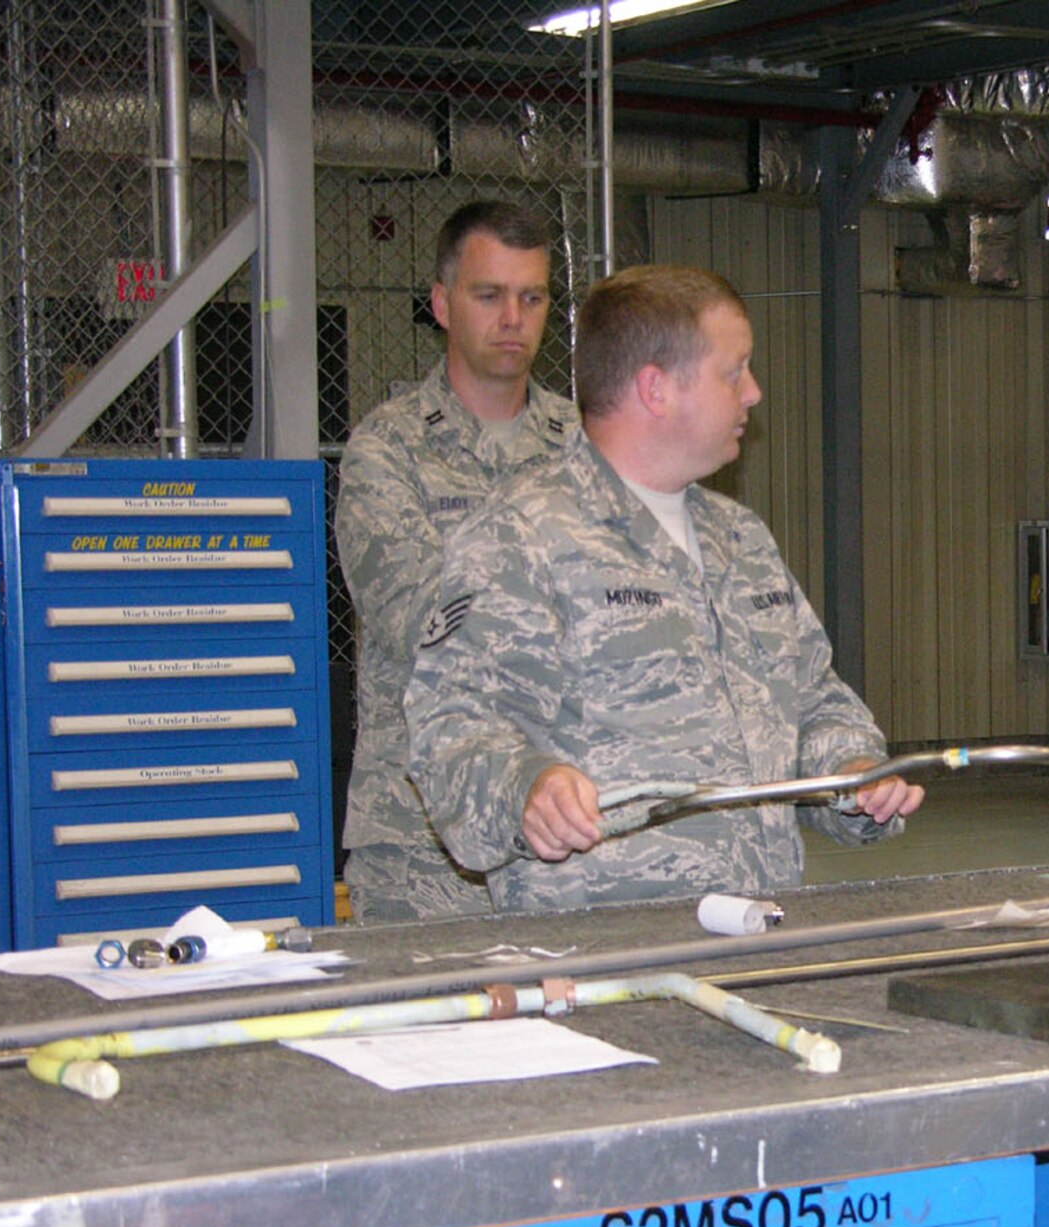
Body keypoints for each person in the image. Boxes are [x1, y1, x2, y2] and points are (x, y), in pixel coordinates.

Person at [404, 264, 922, 913]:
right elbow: (452, 730)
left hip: (752, 927)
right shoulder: (523, 541)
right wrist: (526, 789)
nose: (754, 392)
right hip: (605, 946)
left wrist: (852, 776)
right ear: (656, 389)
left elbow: (815, 701)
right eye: (733, 372)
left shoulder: (741, 540)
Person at [334, 201, 579, 922]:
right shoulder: (387, 452)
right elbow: (424, 623)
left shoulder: (587, 449)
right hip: (425, 844)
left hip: (563, 826)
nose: (513, 317)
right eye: (489, 295)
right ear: (442, 304)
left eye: (532, 297)